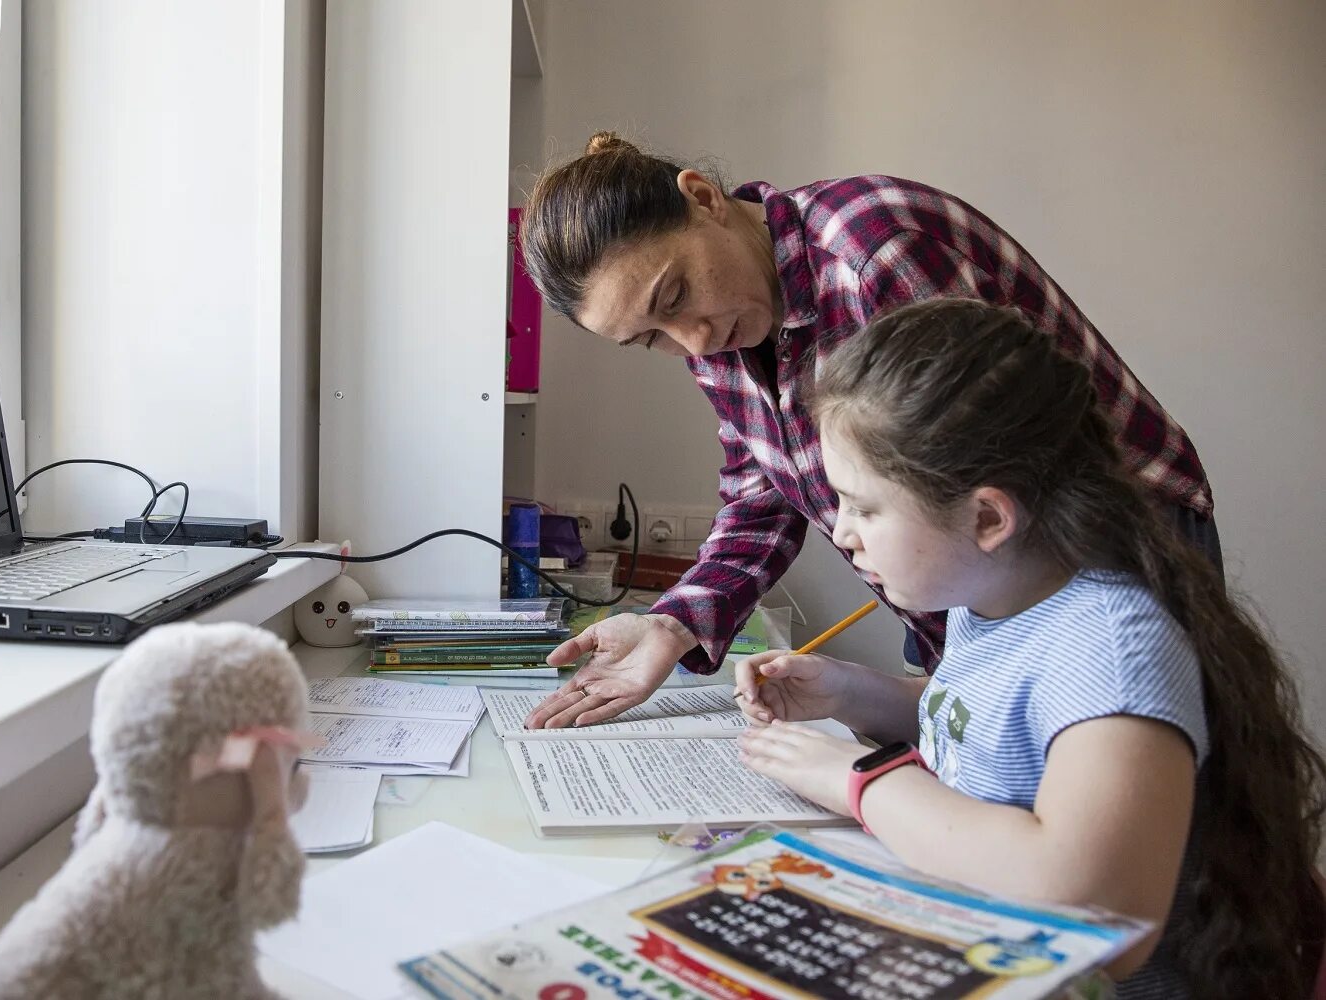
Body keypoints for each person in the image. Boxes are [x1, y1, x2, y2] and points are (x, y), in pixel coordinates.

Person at [520, 132, 1217, 731]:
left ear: (703, 198)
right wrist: (670, 626)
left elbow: (997, 478)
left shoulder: (873, 252)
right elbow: (761, 497)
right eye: (651, 339)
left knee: (1134, 842)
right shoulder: (720, 335)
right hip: (969, 585)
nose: (692, 339)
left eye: (674, 297)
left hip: (1099, 548)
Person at [734, 298, 1324, 998]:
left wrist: (859, 785)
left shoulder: (1110, 647)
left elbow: (1098, 900)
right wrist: (853, 693)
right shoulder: (998, 599)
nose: (844, 530)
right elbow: (1001, 727)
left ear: (987, 516)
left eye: (865, 506)